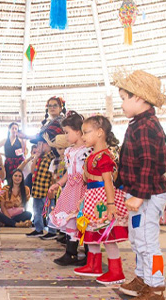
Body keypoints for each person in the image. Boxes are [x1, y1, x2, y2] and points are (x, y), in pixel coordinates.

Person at [114, 70, 166, 300]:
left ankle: (156, 289)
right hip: (137, 193)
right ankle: (142, 279)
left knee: (149, 243)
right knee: (139, 240)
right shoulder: (139, 123)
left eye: (124, 97)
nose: (122, 104)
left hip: (147, 194)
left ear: (138, 98)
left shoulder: (147, 125)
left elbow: (150, 163)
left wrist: (139, 195)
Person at [72, 115, 130, 284]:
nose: (83, 137)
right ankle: (94, 265)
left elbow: (108, 182)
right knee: (92, 232)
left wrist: (111, 205)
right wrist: (83, 200)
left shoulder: (104, 156)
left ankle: (116, 271)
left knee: (108, 236)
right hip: (92, 198)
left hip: (103, 200)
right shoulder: (92, 155)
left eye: (86, 132)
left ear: (99, 132)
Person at [49, 112, 89, 266]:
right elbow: (69, 172)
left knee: (83, 219)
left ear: (78, 132)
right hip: (70, 190)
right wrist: (58, 183)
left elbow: (88, 171)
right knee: (70, 220)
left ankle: (89, 253)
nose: (65, 136)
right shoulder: (69, 151)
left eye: (67, 132)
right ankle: (70, 252)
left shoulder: (86, 150)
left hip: (83, 189)